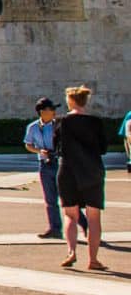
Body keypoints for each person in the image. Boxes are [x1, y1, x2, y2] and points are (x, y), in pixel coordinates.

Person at [53, 86, 107, 271]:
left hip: (68, 170)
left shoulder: (61, 121)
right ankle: (93, 259)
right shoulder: (95, 122)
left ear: (70, 101)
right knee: (93, 217)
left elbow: (56, 147)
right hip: (92, 171)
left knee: (70, 214)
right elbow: (102, 148)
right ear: (85, 101)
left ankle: (71, 251)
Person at [25, 97, 63, 240]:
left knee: (68, 199)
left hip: (59, 163)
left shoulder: (59, 125)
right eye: (51, 109)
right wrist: (39, 151)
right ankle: (54, 228)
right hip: (45, 164)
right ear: (42, 112)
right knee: (50, 200)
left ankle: (86, 227)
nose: (54, 112)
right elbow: (28, 144)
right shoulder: (33, 127)